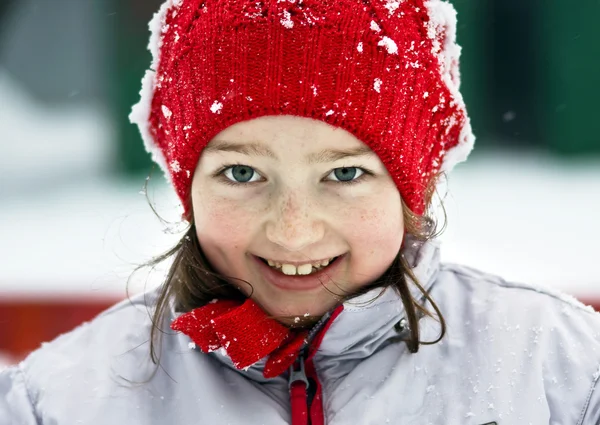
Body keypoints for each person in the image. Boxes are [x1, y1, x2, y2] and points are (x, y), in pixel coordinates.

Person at [2, 0, 600, 423]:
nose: (294, 229)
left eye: (344, 173)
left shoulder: (564, 377)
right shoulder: (59, 402)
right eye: (242, 173)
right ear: (187, 189)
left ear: (410, 186)